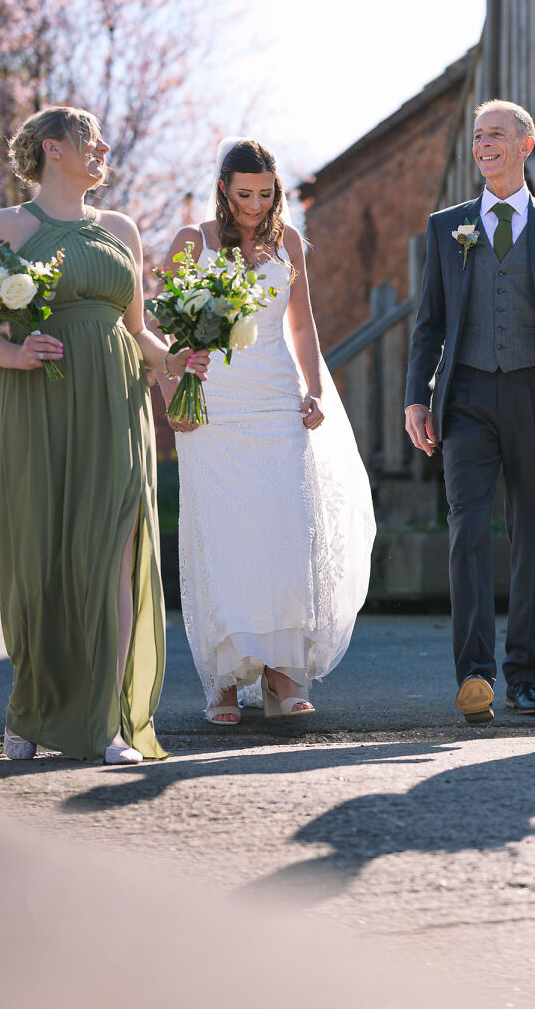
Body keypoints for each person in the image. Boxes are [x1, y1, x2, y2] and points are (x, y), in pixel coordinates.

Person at [0, 105, 210, 764]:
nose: (103, 147)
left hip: (117, 406)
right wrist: (15, 355)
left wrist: (177, 360)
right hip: (36, 403)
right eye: (88, 138)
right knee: (43, 558)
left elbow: (135, 332)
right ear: (52, 149)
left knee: (114, 552)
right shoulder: (3, 228)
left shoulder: (122, 230)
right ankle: (32, 709)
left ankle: (106, 723)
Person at [404, 100, 535, 724]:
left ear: (525, 145)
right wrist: (418, 396)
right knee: (466, 528)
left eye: (495, 134)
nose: (483, 144)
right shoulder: (448, 228)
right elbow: (430, 322)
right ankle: (474, 675)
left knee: (533, 533)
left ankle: (525, 674)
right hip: (465, 394)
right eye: (476, 136)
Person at [157, 137, 374, 725]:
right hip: (215, 406)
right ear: (224, 188)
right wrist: (172, 387)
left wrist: (315, 389)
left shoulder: (290, 243)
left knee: (285, 530)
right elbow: (162, 327)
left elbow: (302, 327)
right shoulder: (191, 243)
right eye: (244, 193)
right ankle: (224, 682)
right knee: (223, 538)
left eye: (266, 193)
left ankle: (282, 676)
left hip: (278, 399)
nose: (255, 204)